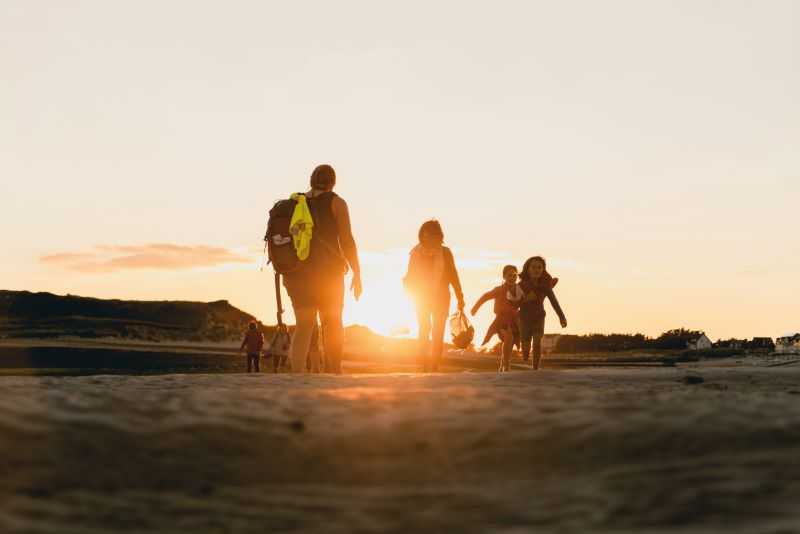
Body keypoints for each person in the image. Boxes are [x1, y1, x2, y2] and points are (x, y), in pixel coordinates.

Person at [282, 164, 362, 374]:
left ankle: (297, 375)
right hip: (328, 272)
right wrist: (357, 271)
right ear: (332, 183)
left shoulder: (294, 203)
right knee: (333, 320)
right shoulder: (337, 203)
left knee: (304, 325)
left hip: (296, 273)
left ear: (311, 180)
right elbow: (346, 240)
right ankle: (335, 371)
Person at [403, 220, 465, 372]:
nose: (430, 240)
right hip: (421, 297)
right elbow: (410, 275)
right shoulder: (415, 253)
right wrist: (406, 289)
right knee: (424, 328)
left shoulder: (445, 252)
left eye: (433, 237)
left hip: (441, 297)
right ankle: (424, 365)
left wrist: (460, 297)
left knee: (438, 332)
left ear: (439, 237)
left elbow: (453, 275)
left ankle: (434, 368)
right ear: (421, 237)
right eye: (427, 237)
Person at [510, 256, 567, 370]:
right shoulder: (521, 286)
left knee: (537, 343)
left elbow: (554, 301)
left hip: (539, 317)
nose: (536, 270)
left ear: (543, 270)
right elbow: (514, 305)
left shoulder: (545, 286)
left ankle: (535, 370)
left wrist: (562, 317)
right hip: (524, 318)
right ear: (528, 269)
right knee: (525, 351)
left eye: (539, 267)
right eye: (533, 267)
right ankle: (525, 353)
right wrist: (524, 300)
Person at [471, 265, 521, 372]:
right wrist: (474, 309)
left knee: (510, 342)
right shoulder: (499, 290)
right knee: (509, 337)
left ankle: (502, 366)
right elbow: (485, 296)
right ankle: (506, 366)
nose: (512, 278)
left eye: (514, 275)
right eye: (509, 275)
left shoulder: (519, 289)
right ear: (504, 276)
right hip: (502, 319)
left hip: (515, 320)